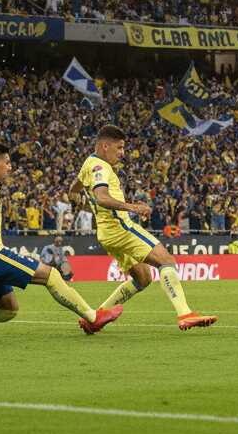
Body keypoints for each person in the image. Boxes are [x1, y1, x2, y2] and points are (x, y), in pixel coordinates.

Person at [0, 141, 120, 340]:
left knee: (8, 310)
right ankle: (93, 318)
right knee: (51, 276)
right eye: (6, 162)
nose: (9, 167)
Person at [70, 125, 216, 331]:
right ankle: (185, 313)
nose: (122, 153)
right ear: (105, 146)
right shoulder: (101, 167)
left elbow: (73, 189)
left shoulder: (89, 163)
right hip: (121, 228)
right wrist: (133, 207)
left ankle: (94, 318)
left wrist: (81, 203)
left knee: (143, 277)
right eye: (119, 148)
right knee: (166, 261)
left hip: (105, 234)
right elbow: (102, 197)